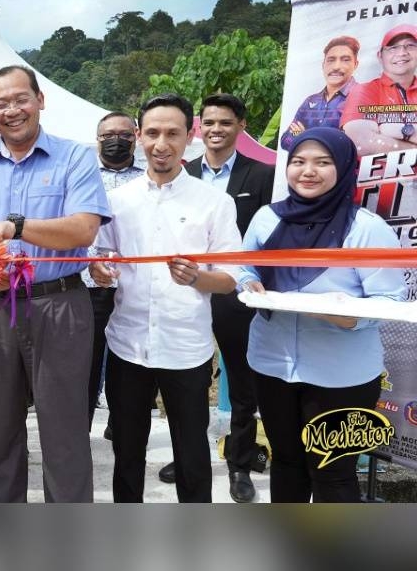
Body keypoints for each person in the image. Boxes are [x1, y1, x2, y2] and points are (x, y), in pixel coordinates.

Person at [0, 65, 111, 503]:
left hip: (58, 305)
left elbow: (83, 229)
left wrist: (17, 227)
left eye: (21, 98)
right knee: (0, 426)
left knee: (64, 429)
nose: (12, 110)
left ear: (41, 99)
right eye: (1, 103)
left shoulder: (74, 157)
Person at [89, 93, 242, 503]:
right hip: (127, 345)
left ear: (190, 135)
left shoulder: (215, 202)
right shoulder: (116, 203)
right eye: (153, 132)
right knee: (126, 452)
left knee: (193, 455)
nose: (162, 143)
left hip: (186, 348)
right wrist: (99, 270)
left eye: (173, 133)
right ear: (139, 136)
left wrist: (197, 279)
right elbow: (100, 260)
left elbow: (230, 279)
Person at [239, 128, 405, 502]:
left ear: (345, 168)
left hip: (343, 375)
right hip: (273, 364)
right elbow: (245, 268)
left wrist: (345, 315)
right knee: (287, 462)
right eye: (298, 161)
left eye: (322, 162)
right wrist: (249, 286)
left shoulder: (366, 229)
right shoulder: (267, 218)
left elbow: (389, 300)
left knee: (334, 474)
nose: (307, 171)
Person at [176, 93, 274, 502]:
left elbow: (271, 235)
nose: (216, 130)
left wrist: (258, 279)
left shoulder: (263, 175)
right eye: (209, 123)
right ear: (198, 127)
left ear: (240, 126)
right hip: (188, 290)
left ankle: (240, 461)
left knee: (240, 379)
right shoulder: (184, 173)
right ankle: (189, 455)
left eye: (225, 123)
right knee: (190, 377)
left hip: (237, 291)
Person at [82, 111, 144, 439]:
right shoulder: (83, 176)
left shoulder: (149, 177)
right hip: (89, 284)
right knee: (87, 361)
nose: (115, 141)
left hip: (134, 284)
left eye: (123, 134)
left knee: (128, 362)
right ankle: (81, 428)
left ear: (135, 137)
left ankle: (120, 425)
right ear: (98, 139)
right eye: (108, 135)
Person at [341, 23, 417, 155]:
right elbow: (360, 142)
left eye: (410, 46)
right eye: (393, 48)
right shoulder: (365, 90)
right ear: (380, 56)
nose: (402, 53)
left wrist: (398, 131)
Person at [280, 36, 360, 152]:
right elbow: (285, 140)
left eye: (345, 60)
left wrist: (304, 136)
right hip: (307, 170)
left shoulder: (363, 98)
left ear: (355, 64)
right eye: (331, 60)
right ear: (323, 65)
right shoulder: (311, 101)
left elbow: (352, 146)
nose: (336, 67)